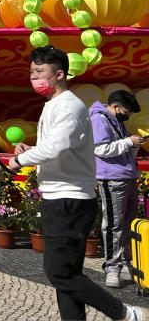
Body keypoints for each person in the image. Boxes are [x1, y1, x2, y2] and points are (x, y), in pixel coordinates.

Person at [10, 46, 148, 321]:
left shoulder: (69, 106)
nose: (34, 76)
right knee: (66, 274)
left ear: (59, 74)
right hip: (59, 196)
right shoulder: (54, 105)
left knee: (59, 272)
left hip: (69, 199)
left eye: (40, 71)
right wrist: (32, 151)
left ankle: (124, 313)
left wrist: (22, 159)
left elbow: (57, 148)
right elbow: (56, 148)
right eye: (31, 71)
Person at [89, 90, 145, 288]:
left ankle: (126, 262)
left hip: (127, 176)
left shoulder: (115, 120)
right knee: (114, 225)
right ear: (116, 106)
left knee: (128, 224)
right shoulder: (99, 119)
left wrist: (133, 145)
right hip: (111, 178)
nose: (128, 116)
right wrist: (128, 141)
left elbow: (118, 147)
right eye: (127, 112)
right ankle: (112, 268)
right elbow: (100, 149)